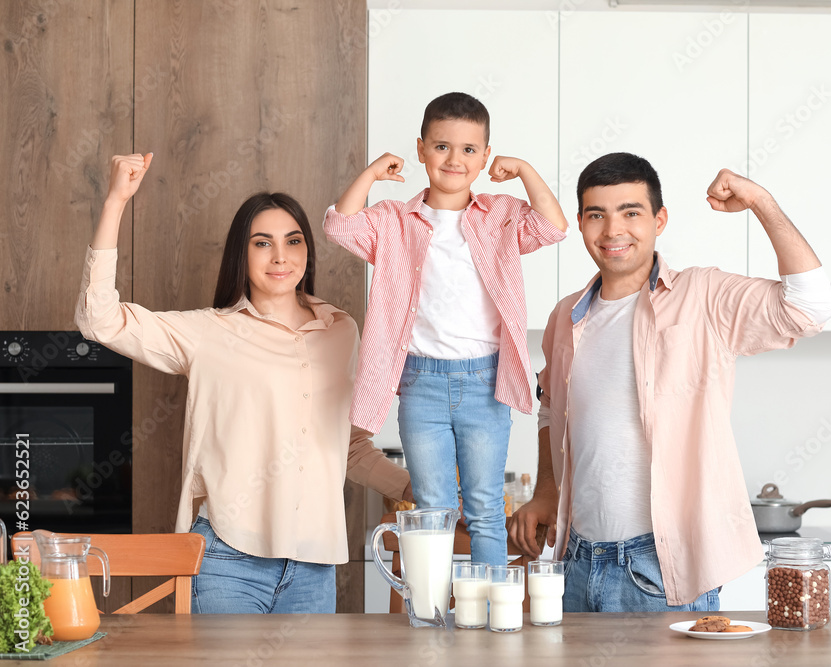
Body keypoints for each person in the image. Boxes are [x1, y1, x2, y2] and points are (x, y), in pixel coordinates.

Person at [76, 153, 413, 613]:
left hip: (315, 565)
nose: (281, 256)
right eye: (262, 243)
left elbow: (348, 445)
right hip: (226, 560)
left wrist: (411, 487)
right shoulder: (209, 333)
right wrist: (116, 200)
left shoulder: (341, 331)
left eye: (293, 241)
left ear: (308, 249)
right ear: (242, 252)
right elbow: (99, 320)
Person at [509, 152, 831, 612]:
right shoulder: (565, 316)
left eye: (631, 212)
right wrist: (546, 491)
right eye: (596, 215)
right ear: (581, 224)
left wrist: (762, 201)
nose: (613, 231)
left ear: (659, 219)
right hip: (575, 563)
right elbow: (550, 409)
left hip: (662, 569)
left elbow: (811, 307)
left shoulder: (702, 296)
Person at [325, 92, 568, 568]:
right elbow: (341, 226)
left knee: (484, 511)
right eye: (441, 147)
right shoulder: (395, 220)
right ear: (420, 150)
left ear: (485, 157)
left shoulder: (500, 215)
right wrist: (373, 174)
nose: (454, 159)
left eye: (469, 150)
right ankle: (430, 618)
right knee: (433, 511)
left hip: (485, 383)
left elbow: (553, 227)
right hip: (420, 384)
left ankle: (489, 619)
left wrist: (524, 172)